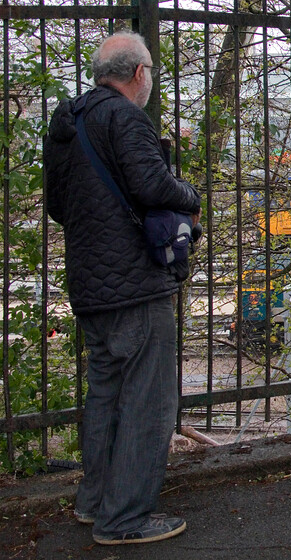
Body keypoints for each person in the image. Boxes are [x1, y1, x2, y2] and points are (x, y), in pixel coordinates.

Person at [44, 30, 201, 545]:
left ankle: (96, 504)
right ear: (138, 74)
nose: (151, 80)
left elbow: (57, 207)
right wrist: (190, 194)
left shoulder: (67, 122)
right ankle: (125, 519)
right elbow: (153, 186)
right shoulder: (126, 117)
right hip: (135, 285)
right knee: (148, 402)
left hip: (90, 286)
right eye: (151, 71)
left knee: (107, 396)